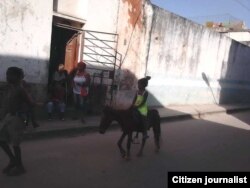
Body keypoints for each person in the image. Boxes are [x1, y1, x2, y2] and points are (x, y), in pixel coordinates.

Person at [0, 67, 34, 176]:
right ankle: (13, 160)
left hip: (18, 119)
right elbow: (6, 104)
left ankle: (20, 167)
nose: (7, 77)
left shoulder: (20, 89)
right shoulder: (9, 88)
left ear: (18, 77)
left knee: (15, 144)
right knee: (1, 139)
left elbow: (30, 104)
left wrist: (31, 120)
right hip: (9, 117)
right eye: (7, 74)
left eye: (10, 75)